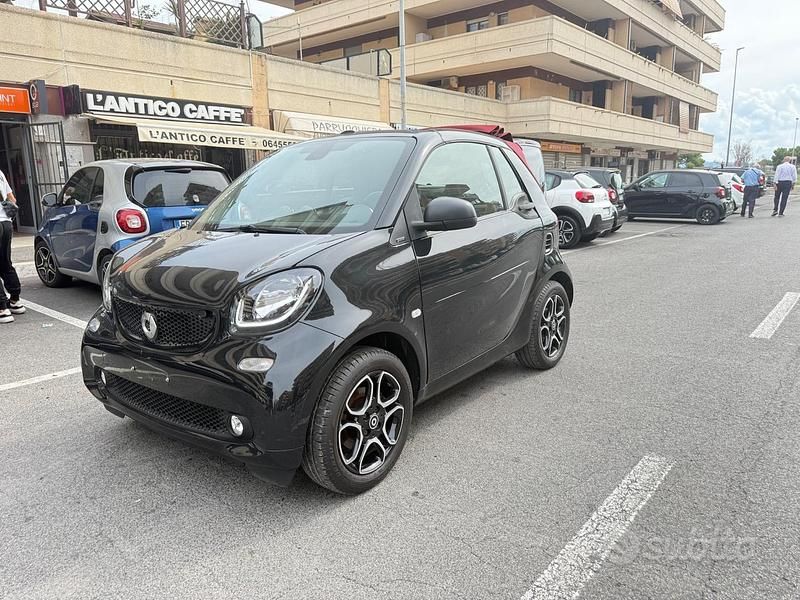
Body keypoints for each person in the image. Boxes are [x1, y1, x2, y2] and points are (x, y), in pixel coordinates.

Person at [0, 168, 25, 324]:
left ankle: (2, 308)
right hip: (6, 223)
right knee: (5, 263)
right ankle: (15, 300)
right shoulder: (0, 173)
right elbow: (12, 199)